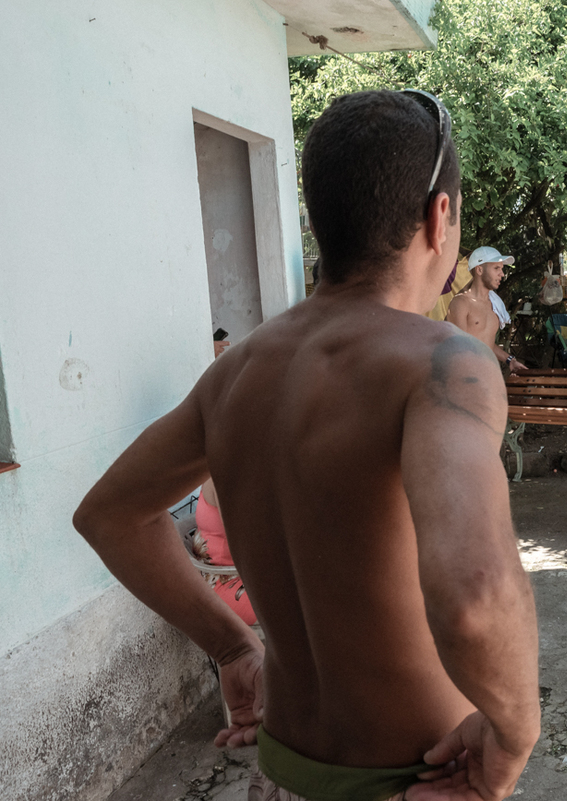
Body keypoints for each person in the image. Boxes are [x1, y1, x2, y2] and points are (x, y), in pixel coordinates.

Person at [73, 89, 541, 801]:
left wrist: (233, 644)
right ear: (438, 216)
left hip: (284, 775)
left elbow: (110, 515)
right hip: (418, 780)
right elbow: (475, 593)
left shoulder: (235, 373)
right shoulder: (442, 362)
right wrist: (514, 732)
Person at [447, 246, 527, 373]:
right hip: (465, 377)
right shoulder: (461, 303)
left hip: (487, 375)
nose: (502, 274)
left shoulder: (494, 305)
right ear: (479, 270)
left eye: (501, 268)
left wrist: (510, 360)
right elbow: (458, 348)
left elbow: (486, 343)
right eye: (496, 268)